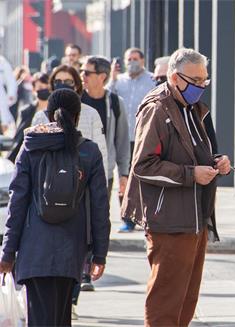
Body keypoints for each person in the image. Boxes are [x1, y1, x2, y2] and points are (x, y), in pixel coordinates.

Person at [121, 48, 231, 327]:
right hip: (169, 221)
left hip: (194, 218)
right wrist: (190, 174)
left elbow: (195, 153)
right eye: (195, 79)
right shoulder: (158, 108)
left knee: (186, 301)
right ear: (174, 77)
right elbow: (143, 165)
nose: (201, 86)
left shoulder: (191, 107)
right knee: (166, 303)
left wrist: (216, 161)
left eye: (205, 80)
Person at [0, 88, 110, 326]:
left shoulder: (31, 147)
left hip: (34, 252)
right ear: (78, 116)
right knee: (61, 320)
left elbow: (16, 204)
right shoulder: (88, 151)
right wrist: (99, 254)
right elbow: (100, 206)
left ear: (49, 115)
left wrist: (8, 252)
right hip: (71, 253)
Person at [32, 65, 109, 179]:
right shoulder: (40, 117)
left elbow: (101, 152)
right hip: (48, 184)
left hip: (83, 181)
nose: (62, 84)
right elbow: (32, 156)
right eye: (57, 81)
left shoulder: (91, 114)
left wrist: (102, 184)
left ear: (77, 85)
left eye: (68, 81)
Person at [108, 47, 155, 232]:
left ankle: (146, 217)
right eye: (129, 59)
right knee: (124, 178)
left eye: (135, 58)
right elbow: (106, 97)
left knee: (143, 178)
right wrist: (112, 78)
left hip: (144, 138)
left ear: (142, 60)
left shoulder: (151, 80)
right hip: (122, 139)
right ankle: (127, 218)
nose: (132, 62)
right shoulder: (118, 82)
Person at [81, 56, 130, 201]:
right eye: (81, 71)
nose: (82, 76)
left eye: (87, 73)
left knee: (100, 218)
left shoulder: (115, 102)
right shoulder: (76, 100)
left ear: (102, 76)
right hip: (77, 172)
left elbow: (122, 141)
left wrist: (123, 174)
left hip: (104, 173)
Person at [8, 72, 50, 162]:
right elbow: (19, 137)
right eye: (40, 88)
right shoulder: (26, 112)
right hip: (30, 157)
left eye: (47, 87)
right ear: (34, 89)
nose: (44, 90)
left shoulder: (56, 112)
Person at [0, 54, 17, 132]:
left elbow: (11, 81)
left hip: (1, 98)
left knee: (5, 121)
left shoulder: (3, 62)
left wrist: (11, 94)